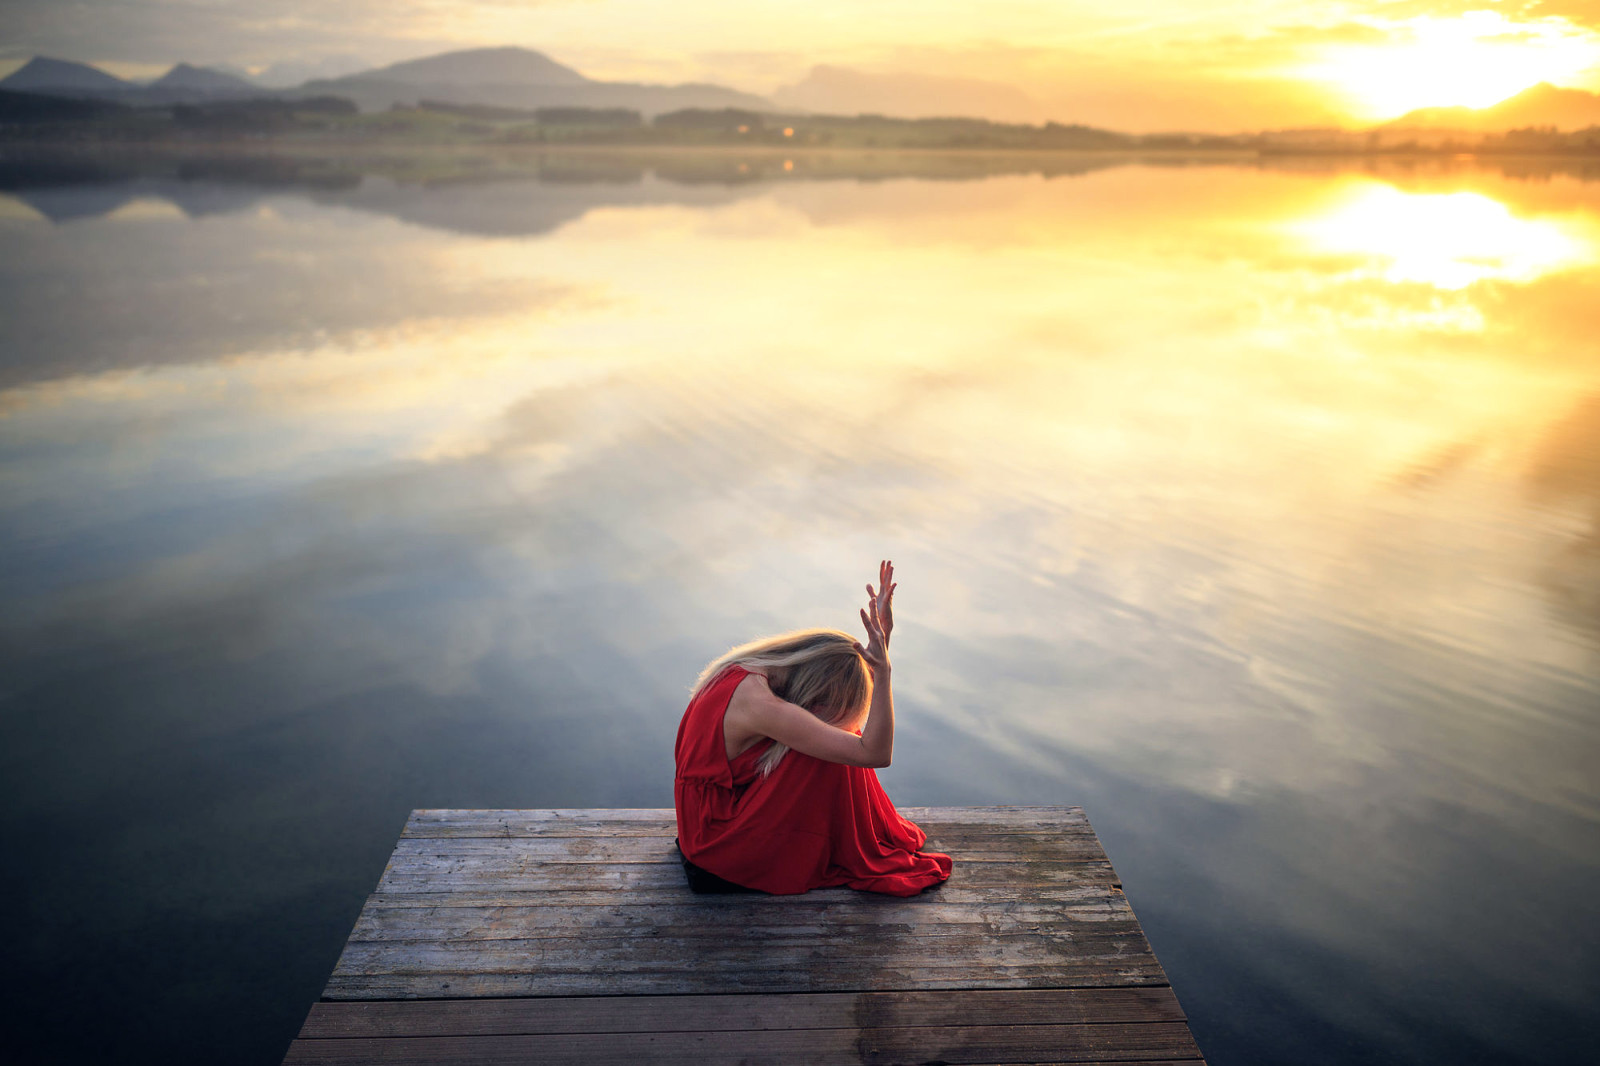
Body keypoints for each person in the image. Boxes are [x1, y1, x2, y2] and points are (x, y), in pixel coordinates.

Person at [673, 560, 953, 896]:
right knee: (839, 754)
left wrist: (880, 650)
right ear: (819, 695)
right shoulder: (761, 706)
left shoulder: (754, 671)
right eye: (832, 709)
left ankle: (863, 838)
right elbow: (876, 753)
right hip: (716, 843)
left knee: (840, 743)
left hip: (708, 820)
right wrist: (884, 673)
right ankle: (860, 847)